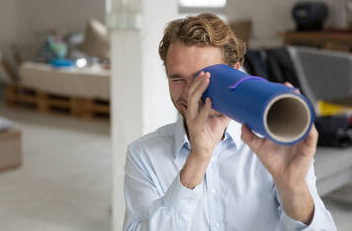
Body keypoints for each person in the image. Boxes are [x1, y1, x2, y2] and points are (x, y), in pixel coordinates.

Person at [123, 13, 336, 231]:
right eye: (177, 79)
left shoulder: (275, 144)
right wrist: (197, 160)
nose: (189, 93)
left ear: (235, 72)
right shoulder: (143, 155)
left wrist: (293, 187)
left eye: (202, 78)